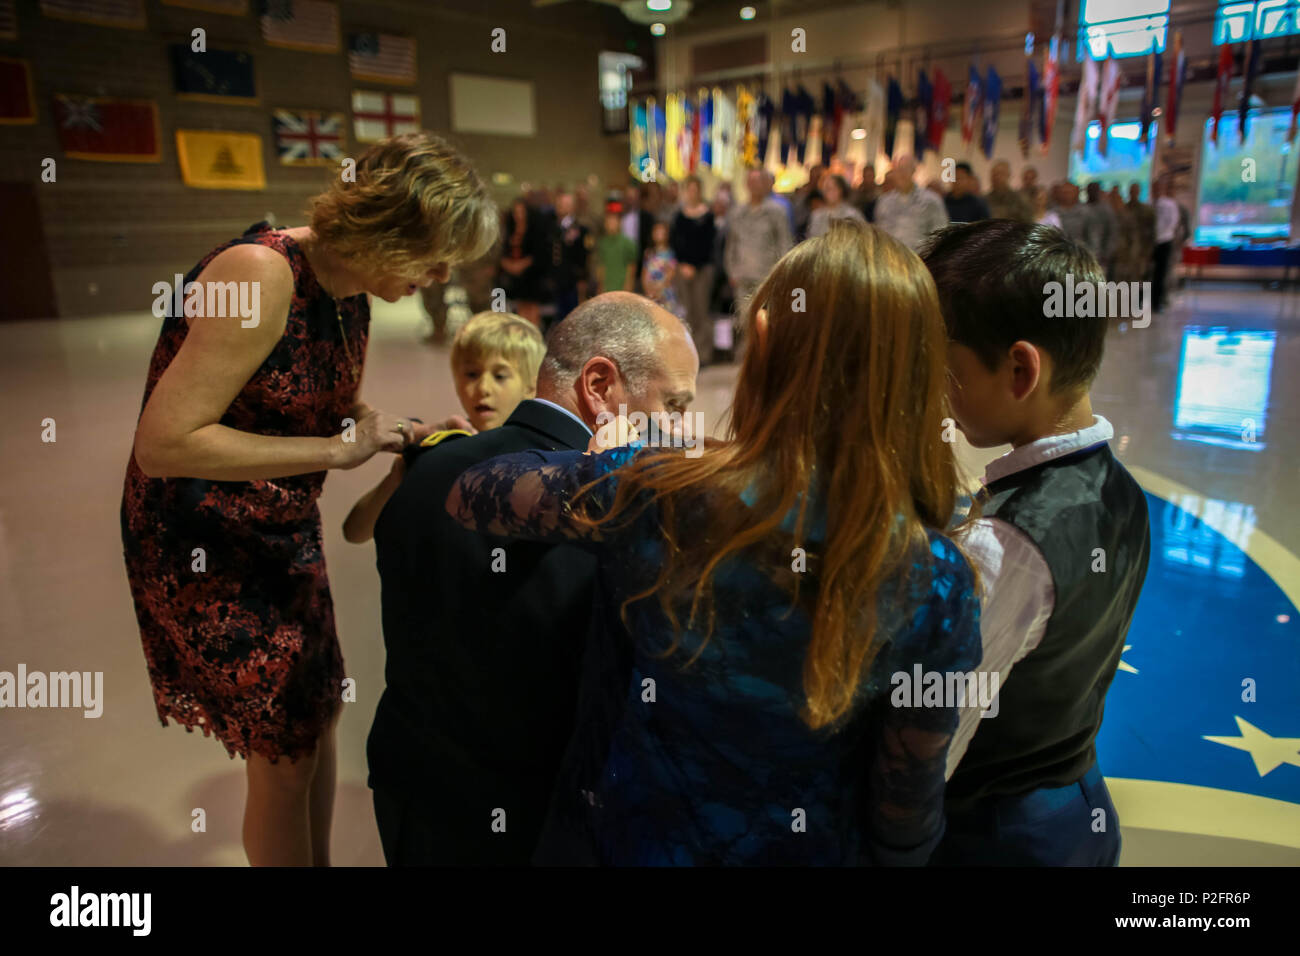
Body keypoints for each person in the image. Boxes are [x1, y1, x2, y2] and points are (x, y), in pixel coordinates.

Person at [445, 221, 982, 865]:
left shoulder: (658, 492)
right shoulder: (940, 578)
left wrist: (620, 463)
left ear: (762, 340)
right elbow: (904, 811)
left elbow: (473, 491)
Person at [121, 132, 497, 867]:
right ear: (391, 228)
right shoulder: (261, 275)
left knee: (315, 718)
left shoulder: (348, 292)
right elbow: (164, 443)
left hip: (279, 531)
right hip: (207, 544)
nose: (444, 273)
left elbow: (314, 401)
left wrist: (405, 435)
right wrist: (335, 453)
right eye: (437, 253)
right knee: (284, 753)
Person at [368, 292, 698, 865]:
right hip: (533, 821)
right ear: (600, 386)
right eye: (673, 405)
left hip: (411, 788)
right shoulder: (606, 513)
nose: (680, 431)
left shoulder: (426, 466)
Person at [920, 220, 1151, 866]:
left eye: (946, 368)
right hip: (1078, 800)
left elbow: (937, 738)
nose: (938, 392)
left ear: (1020, 368)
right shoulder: (1121, 490)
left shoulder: (1007, 545)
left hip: (996, 836)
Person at [341, 312, 544, 544]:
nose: (483, 388)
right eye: (471, 374)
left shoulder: (543, 457)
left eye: (499, 376)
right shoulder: (442, 450)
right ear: (456, 381)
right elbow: (355, 532)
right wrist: (399, 473)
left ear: (531, 385)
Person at [724, 167, 793, 332]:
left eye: (758, 181)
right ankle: (748, 355)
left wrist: (782, 272)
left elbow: (784, 243)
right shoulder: (737, 212)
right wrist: (732, 271)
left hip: (767, 275)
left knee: (767, 322)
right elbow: (731, 245)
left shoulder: (777, 212)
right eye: (751, 181)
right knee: (745, 322)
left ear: (765, 184)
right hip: (743, 276)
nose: (754, 185)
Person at [670, 175, 718, 365]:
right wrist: (683, 264)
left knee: (701, 311)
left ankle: (704, 353)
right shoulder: (679, 216)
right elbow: (676, 242)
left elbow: (708, 244)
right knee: (687, 311)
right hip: (682, 270)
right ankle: (688, 354)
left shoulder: (708, 216)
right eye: (689, 189)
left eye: (695, 189)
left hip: (703, 269)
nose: (692, 193)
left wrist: (695, 266)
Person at [873, 154, 948, 250]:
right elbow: (878, 232)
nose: (902, 174)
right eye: (899, 170)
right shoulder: (884, 201)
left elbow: (940, 234)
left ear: (913, 171)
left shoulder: (931, 201)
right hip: (888, 258)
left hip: (918, 259)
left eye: (905, 169)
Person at [500, 197, 549, 328]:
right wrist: (509, 265)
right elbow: (503, 252)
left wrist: (522, 265)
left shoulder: (535, 230)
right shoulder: (509, 229)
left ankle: (534, 335)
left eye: (521, 211)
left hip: (531, 275)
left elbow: (539, 253)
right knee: (520, 307)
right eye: (516, 212)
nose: (518, 215)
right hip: (515, 278)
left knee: (532, 308)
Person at [549, 191, 591, 327]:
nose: (561, 206)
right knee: (557, 316)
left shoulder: (581, 229)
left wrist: (582, 278)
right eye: (559, 203)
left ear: (572, 207)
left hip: (572, 280)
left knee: (572, 316)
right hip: (555, 280)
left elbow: (584, 256)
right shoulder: (552, 227)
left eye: (565, 204)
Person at [641, 220, 683, 317]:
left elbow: (670, 274)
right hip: (651, 293)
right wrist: (648, 289)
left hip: (664, 293)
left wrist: (659, 288)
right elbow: (644, 272)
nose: (659, 235)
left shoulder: (670, 254)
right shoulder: (648, 253)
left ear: (667, 235)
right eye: (656, 232)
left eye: (662, 233)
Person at [595, 207, 639, 293]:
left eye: (614, 221)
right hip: (606, 289)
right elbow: (601, 266)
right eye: (609, 221)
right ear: (605, 224)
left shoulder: (628, 243)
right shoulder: (602, 243)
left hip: (622, 288)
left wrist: (628, 285)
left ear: (619, 223)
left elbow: (632, 266)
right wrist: (600, 286)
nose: (611, 224)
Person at [1152, 177, 1180, 312]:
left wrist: (1160, 235)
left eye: (1158, 187)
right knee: (1149, 273)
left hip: (1164, 241)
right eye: (1154, 187)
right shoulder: (1151, 204)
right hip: (1151, 243)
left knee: (1161, 273)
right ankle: (1148, 300)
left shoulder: (1169, 205)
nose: (1155, 190)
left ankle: (1158, 301)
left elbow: (1172, 222)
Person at [1127, 182, 1155, 282]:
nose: (1133, 193)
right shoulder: (1124, 209)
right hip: (1126, 253)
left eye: (1135, 191)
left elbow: (1151, 233)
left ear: (1139, 192)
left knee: (1138, 280)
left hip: (1140, 252)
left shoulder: (1147, 211)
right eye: (1131, 191)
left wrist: (1148, 252)